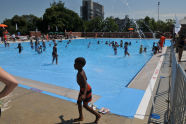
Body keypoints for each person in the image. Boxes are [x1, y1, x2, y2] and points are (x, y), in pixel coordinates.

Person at [73, 57, 101, 123]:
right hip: (83, 90)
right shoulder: (81, 71)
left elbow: (85, 84)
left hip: (86, 90)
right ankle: (81, 117)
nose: (74, 65)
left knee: (85, 105)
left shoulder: (81, 74)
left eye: (75, 64)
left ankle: (97, 115)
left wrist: (84, 94)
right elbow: (86, 78)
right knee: (79, 102)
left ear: (80, 65)